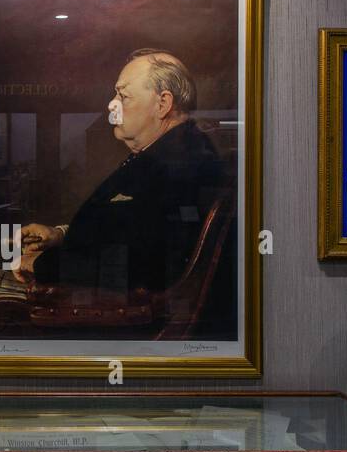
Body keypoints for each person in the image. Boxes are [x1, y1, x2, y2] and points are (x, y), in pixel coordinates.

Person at [17, 48, 224, 295]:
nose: (111, 104)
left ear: (163, 104)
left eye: (123, 96)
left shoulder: (179, 167)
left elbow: (137, 265)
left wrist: (42, 265)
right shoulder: (166, 155)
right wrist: (61, 235)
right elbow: (125, 228)